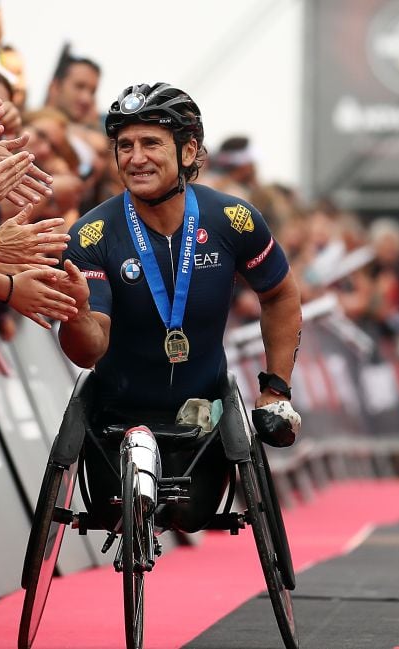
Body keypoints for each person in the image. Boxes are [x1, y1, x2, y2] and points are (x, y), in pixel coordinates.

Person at [56, 82, 302, 532]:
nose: (135, 157)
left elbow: (281, 294)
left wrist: (277, 388)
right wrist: (75, 316)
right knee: (113, 516)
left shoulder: (233, 219)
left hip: (202, 421)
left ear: (188, 150)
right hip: (116, 419)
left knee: (193, 516)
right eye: (124, 145)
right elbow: (90, 350)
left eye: (151, 143)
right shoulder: (91, 235)